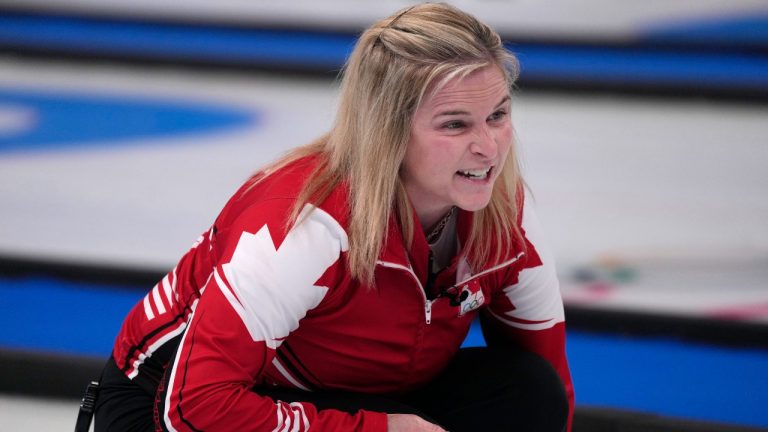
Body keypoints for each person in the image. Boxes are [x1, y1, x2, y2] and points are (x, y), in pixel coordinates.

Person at [88, 3, 573, 431]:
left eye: (498, 115)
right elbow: (193, 409)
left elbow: (549, 385)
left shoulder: (505, 211)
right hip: (163, 405)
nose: (488, 147)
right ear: (388, 131)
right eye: (455, 124)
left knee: (526, 390)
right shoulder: (305, 224)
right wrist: (378, 429)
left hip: (347, 393)